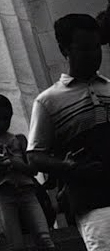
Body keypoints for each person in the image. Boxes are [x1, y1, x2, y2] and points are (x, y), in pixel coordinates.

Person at [27, 13, 110, 251]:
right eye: (84, 49)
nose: (93, 55)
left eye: (96, 47)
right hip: (93, 202)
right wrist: (67, 166)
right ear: (65, 50)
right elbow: (34, 156)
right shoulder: (48, 101)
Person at [0, 94, 54, 250]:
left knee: (44, 237)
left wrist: (15, 162)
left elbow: (33, 170)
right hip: (2, 195)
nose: (2, 123)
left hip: (27, 192)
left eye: (6, 119)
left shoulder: (18, 139)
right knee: (15, 244)